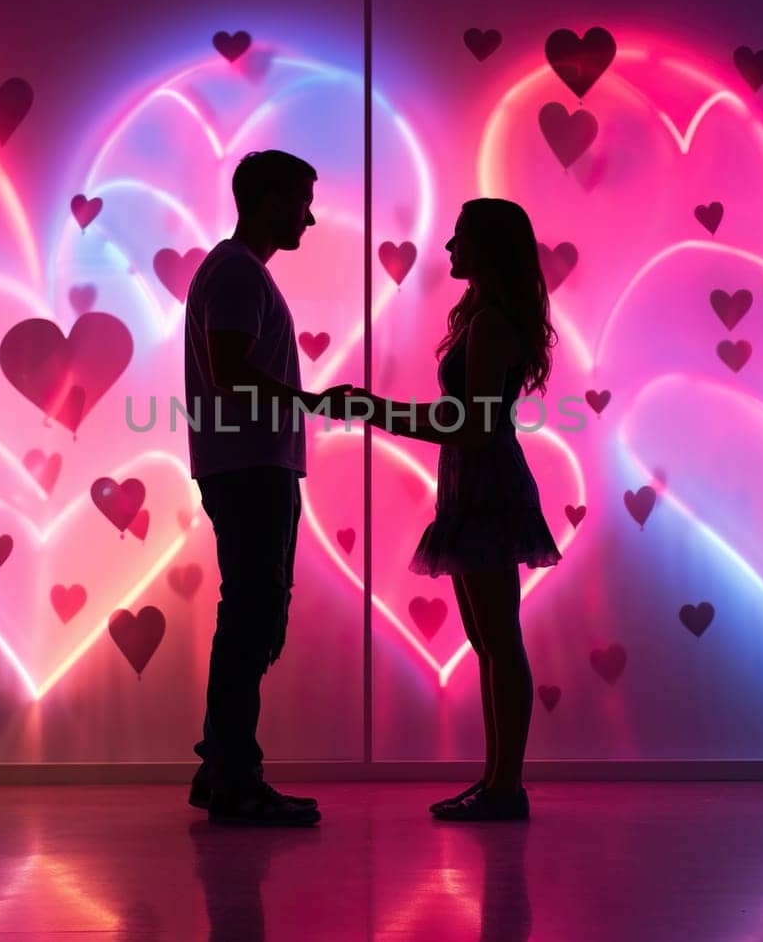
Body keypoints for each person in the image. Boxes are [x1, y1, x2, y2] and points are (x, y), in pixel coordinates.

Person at [358, 198, 562, 822]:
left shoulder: (490, 324)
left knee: (498, 641)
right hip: (476, 482)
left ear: (487, 250)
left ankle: (505, 786)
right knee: (489, 641)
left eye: (459, 239)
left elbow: (469, 425)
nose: (448, 249)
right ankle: (497, 782)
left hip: (485, 485)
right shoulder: (488, 319)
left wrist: (377, 412)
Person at [184, 149, 357, 827]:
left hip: (246, 465)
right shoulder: (236, 274)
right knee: (254, 618)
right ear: (268, 199)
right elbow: (230, 371)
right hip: (252, 466)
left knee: (249, 616)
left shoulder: (233, 272)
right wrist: (313, 404)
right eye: (301, 201)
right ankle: (234, 775)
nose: (310, 218)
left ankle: (222, 766)